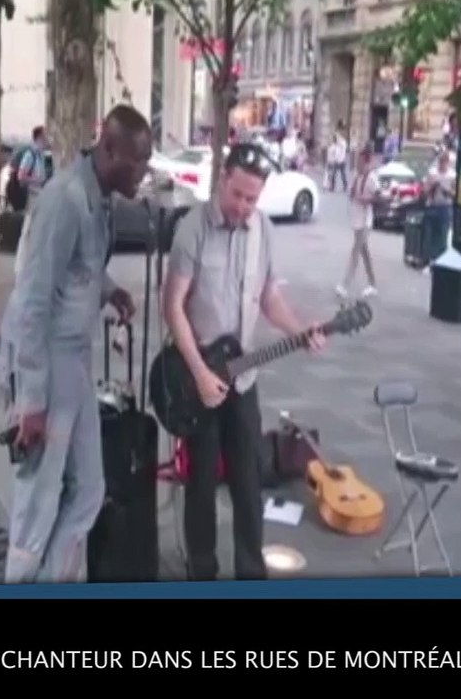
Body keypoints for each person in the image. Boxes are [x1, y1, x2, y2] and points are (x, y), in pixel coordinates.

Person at [0, 107, 150, 583]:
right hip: (46, 362)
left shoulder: (98, 198)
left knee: (89, 490)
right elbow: (32, 300)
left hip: (75, 362)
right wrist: (32, 400)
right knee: (38, 500)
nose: (143, 173)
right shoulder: (64, 198)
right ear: (110, 150)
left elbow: (81, 267)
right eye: (138, 162)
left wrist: (110, 291)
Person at [163, 142, 328, 581]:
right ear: (222, 179)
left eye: (252, 199)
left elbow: (269, 297)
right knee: (201, 484)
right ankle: (202, 572)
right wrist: (199, 372)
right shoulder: (193, 229)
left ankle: (251, 574)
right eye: (237, 194)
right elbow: (172, 306)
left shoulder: (263, 231)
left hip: (243, 377)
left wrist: (299, 330)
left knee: (249, 482)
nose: (243, 206)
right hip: (197, 375)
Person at [336, 147, 380, 299]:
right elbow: (351, 193)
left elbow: (378, 197)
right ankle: (373, 284)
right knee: (364, 251)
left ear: (366, 163)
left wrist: (365, 199)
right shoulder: (356, 176)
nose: (358, 164)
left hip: (365, 220)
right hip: (356, 218)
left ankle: (345, 284)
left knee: (356, 250)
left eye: (360, 162)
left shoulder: (372, 178)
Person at [423, 150, 457, 268]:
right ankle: (430, 258)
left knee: (443, 233)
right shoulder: (432, 173)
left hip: (445, 206)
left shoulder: (452, 175)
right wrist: (433, 186)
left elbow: (455, 194)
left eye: (444, 162)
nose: (442, 164)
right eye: (440, 161)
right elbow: (425, 190)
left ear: (447, 162)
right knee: (431, 233)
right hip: (432, 205)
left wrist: (446, 191)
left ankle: (442, 258)